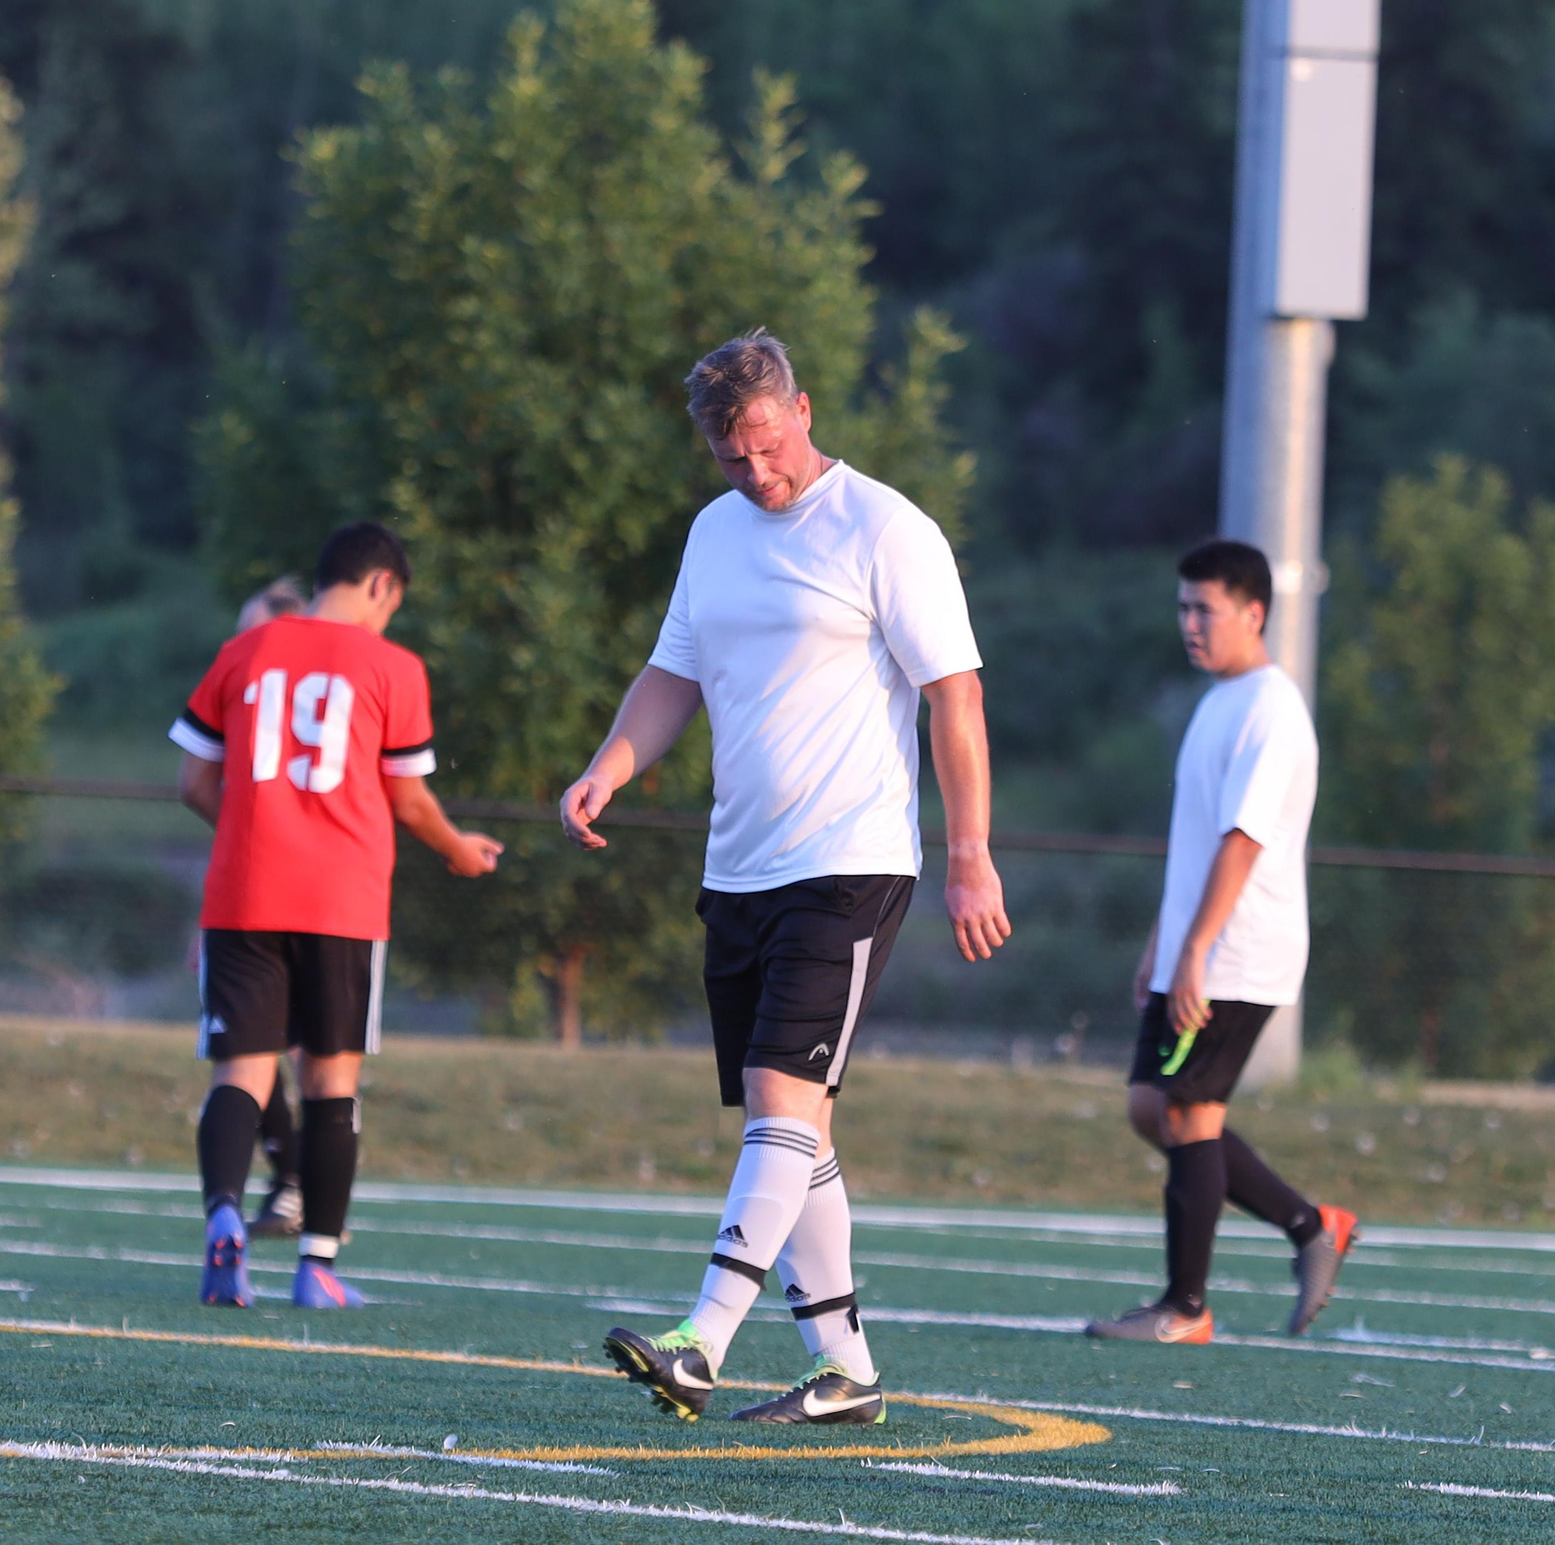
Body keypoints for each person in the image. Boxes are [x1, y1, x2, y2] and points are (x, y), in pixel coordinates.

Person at [561, 329, 1009, 1426]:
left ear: (800, 411)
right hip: (742, 866)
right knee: (797, 1121)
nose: (753, 472)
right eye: (729, 457)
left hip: (849, 861)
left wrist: (969, 856)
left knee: (780, 1099)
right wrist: (609, 766)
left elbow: (955, 695)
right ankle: (843, 1369)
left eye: (764, 444)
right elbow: (673, 674)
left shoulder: (886, 529)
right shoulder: (715, 535)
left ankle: (699, 1340)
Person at [171, 524, 504, 1309]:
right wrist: (458, 849)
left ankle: (225, 1215)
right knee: (331, 1084)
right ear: (383, 584)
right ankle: (316, 1266)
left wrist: (255, 830)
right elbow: (409, 796)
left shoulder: (244, 649)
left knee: (242, 1076)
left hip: (244, 893)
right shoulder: (393, 666)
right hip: (341, 902)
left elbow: (192, 782)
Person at [1086, 540, 1356, 1346]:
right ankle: (1312, 1223)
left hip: (1239, 952)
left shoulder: (1273, 710)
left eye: (1204, 609)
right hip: (1197, 944)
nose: (1190, 624)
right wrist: (1161, 944)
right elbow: (1199, 842)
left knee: (1188, 1111)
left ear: (1255, 613)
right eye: (1183, 608)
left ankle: (1186, 1307)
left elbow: (1243, 843)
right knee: (1153, 1108)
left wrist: (1198, 949)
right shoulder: (1217, 702)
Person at [230, 575, 313, 1242]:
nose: (243, 644)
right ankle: (294, 1180)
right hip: (256, 896)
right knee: (254, 1049)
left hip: (304, 899)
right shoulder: (253, 697)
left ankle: (304, 1188)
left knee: (299, 1055)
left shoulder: (297, 705)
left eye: (254, 630)